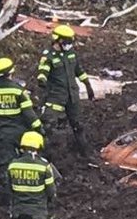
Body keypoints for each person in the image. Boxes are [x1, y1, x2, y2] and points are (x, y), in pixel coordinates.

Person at [36, 25, 95, 156]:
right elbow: (42, 71)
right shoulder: (49, 56)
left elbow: (79, 70)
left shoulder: (71, 54)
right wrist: (42, 80)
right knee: (48, 124)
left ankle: (85, 152)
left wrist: (88, 85)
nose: (69, 45)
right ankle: (44, 154)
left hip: (72, 96)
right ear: (57, 40)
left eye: (70, 42)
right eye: (66, 42)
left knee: (78, 125)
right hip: (56, 96)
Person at [6, 130, 56, 219]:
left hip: (18, 211)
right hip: (37, 212)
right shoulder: (44, 166)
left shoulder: (13, 165)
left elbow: (9, 189)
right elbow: (51, 192)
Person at [0, 57, 42, 170]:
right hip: (20, 132)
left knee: (6, 165)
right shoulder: (18, 91)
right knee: (26, 163)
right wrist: (39, 128)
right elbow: (29, 114)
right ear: (11, 72)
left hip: (2, 134)